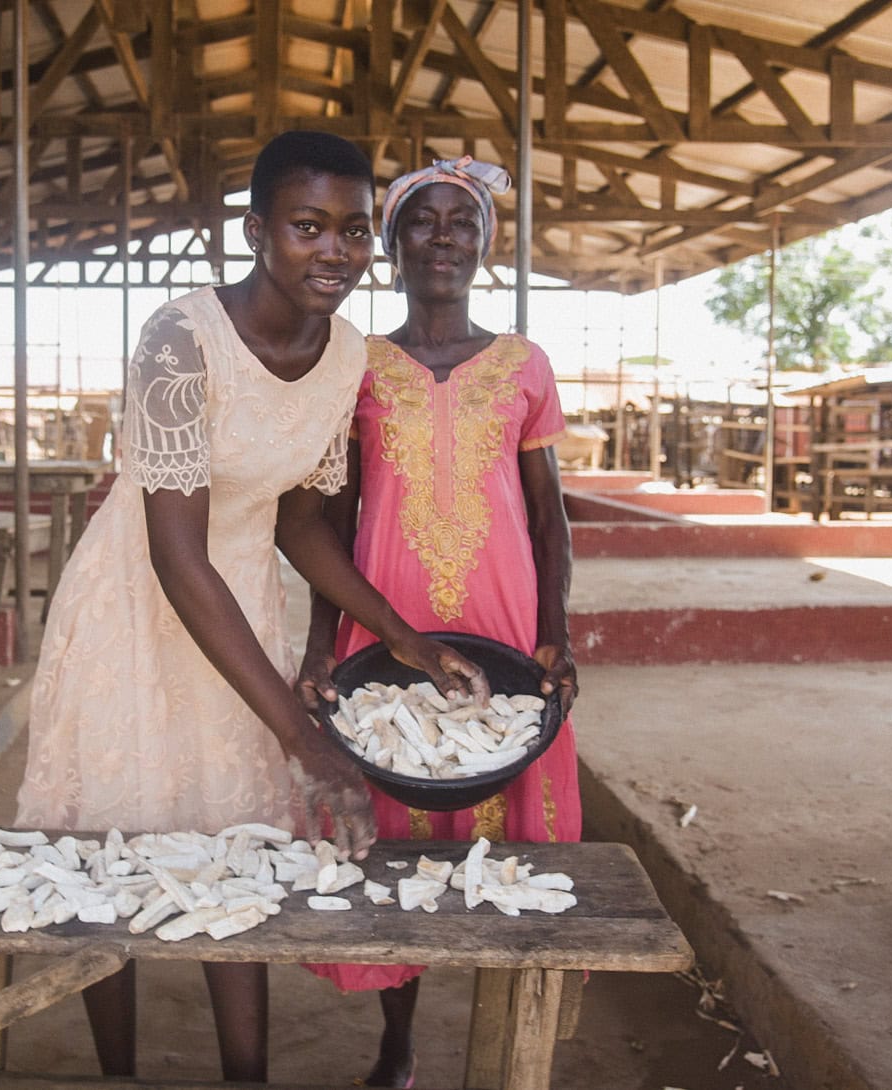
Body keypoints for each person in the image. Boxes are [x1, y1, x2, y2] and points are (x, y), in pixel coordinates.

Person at [14, 131, 486, 1084]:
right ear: (256, 230)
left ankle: (246, 1077)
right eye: (308, 227)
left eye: (354, 232)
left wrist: (409, 640)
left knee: (237, 857)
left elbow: (302, 526)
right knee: (116, 854)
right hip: (139, 609)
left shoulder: (346, 349)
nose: (335, 253)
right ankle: (119, 1075)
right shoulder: (180, 341)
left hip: (240, 612)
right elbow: (174, 550)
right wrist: (299, 734)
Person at [296, 156, 582, 1089]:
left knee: (510, 832)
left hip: (502, 614)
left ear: (486, 245)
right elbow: (330, 518)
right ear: (390, 244)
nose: (446, 237)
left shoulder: (524, 366)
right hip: (385, 613)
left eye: (465, 222)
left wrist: (559, 634)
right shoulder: (356, 365)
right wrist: (315, 649)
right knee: (394, 829)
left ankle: (505, 1041)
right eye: (423, 221)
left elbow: (548, 515)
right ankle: (400, 1037)